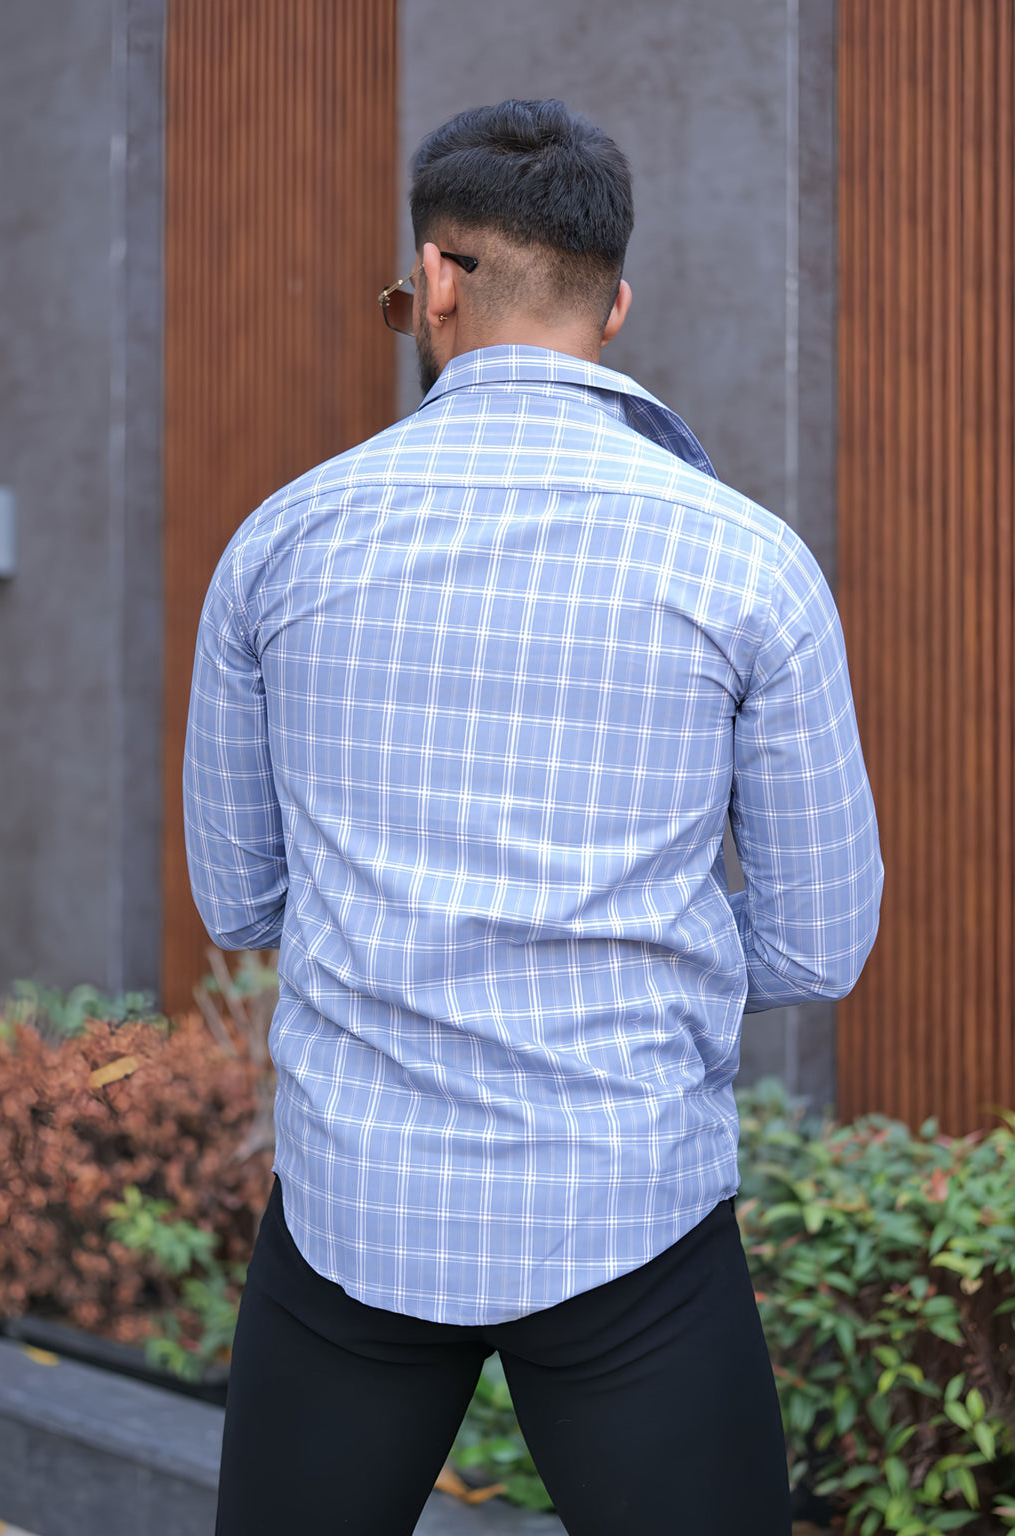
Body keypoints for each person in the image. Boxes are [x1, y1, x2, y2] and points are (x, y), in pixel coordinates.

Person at [185, 98, 883, 1536]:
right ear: (614, 303)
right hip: (632, 1207)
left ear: (434, 281)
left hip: (351, 1211)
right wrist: (622, 957)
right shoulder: (749, 563)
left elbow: (239, 900)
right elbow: (819, 943)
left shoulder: (279, 542)